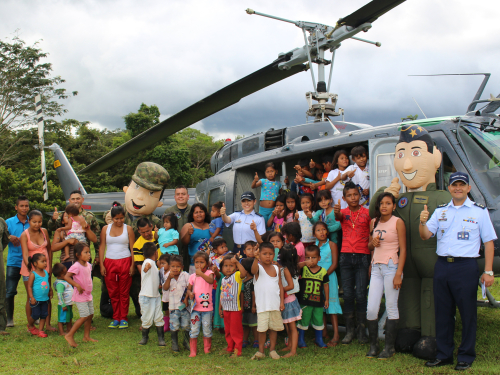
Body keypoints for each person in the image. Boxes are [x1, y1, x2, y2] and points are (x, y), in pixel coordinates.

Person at [369, 124, 451, 358]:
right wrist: (388, 192)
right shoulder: (398, 199)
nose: (407, 164)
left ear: (435, 158)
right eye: (402, 154)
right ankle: (409, 330)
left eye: (415, 153)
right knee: (407, 292)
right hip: (403, 263)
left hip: (432, 260)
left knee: (431, 293)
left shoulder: (442, 197)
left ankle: (431, 334)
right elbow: (375, 211)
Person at [419, 172, 497, 371]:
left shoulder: (479, 211)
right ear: (449, 188)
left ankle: (466, 355)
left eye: (462, 185)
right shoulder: (441, 211)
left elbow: (488, 242)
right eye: (455, 185)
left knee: (467, 313)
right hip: (443, 265)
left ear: (469, 188)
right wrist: (422, 222)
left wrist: (488, 271)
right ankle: (444, 354)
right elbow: (426, 235)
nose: (458, 188)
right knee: (443, 313)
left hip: (466, 267)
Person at [366, 192, 406, 359]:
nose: (384, 206)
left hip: (391, 267)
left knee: (391, 306)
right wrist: (371, 244)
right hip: (376, 268)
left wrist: (398, 273)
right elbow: (370, 247)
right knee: (371, 309)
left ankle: (389, 347)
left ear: (394, 206)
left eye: (388, 203)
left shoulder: (398, 222)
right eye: (382, 203)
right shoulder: (373, 222)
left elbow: (403, 249)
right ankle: (374, 346)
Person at [334, 181, 371, 345]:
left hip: (363, 256)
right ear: (344, 198)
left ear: (360, 195)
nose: (353, 197)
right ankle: (349, 331)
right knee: (348, 294)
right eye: (349, 195)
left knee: (361, 295)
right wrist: (336, 211)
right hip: (346, 257)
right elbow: (338, 217)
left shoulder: (367, 213)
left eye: (355, 194)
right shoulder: (342, 212)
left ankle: (362, 331)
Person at [99, 204, 135, 329]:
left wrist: (132, 265)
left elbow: (132, 248)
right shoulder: (105, 229)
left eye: (121, 218)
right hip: (110, 262)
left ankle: (123, 318)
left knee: (124, 291)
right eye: (116, 218)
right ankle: (116, 317)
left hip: (125, 261)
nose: (119, 221)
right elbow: (102, 246)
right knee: (113, 291)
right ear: (112, 218)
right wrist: (102, 265)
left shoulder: (128, 229)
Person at [20, 210, 54, 334]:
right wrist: (32, 270)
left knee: (46, 294)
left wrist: (48, 267)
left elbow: (49, 250)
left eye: (39, 221)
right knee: (32, 297)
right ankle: (31, 325)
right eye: (34, 222)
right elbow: (24, 254)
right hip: (31, 270)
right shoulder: (24, 235)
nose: (37, 224)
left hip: (45, 269)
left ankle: (48, 324)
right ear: (29, 221)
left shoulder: (44, 232)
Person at [251, 242, 285, 360]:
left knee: (274, 328)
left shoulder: (276, 268)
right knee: (262, 329)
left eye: (270, 254)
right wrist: (255, 259)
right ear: (259, 254)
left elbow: (280, 285)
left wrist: (281, 302)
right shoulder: (258, 268)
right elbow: (253, 270)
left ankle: (272, 350)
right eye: (264, 253)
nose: (268, 256)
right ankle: (261, 351)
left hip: (274, 305)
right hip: (263, 306)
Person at [313, 221, 342, 347]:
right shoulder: (314, 247)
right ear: (314, 234)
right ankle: (324, 333)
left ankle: (336, 335)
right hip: (316, 281)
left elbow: (335, 264)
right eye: (318, 230)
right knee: (320, 306)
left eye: (324, 229)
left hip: (329, 278)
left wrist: (323, 277)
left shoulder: (332, 245)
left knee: (331, 306)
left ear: (328, 231)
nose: (322, 232)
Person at [64, 242, 97, 347]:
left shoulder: (88, 265)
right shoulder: (76, 266)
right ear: (78, 255)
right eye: (85, 252)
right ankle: (69, 335)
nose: (89, 254)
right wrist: (76, 285)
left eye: (89, 252)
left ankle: (86, 336)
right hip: (80, 296)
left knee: (90, 314)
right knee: (84, 316)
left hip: (88, 295)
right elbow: (67, 277)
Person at [296, 245, 329, 348]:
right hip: (305, 301)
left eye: (313, 257)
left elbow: (326, 285)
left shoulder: (323, 271)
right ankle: (300, 340)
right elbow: (295, 267)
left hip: (318, 301)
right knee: (303, 320)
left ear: (319, 258)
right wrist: (304, 263)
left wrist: (327, 299)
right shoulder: (304, 269)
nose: (310, 260)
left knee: (318, 320)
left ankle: (319, 339)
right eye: (307, 257)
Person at [5, 195, 29, 328]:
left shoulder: (33, 222)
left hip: (29, 262)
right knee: (10, 291)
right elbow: (3, 236)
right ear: (16, 207)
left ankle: (33, 318)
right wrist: (9, 237)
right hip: (13, 261)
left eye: (26, 206)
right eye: (22, 206)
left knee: (32, 290)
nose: (24, 208)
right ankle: (9, 319)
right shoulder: (8, 222)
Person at [186, 251, 215, 357]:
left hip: (207, 309)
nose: (199, 265)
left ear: (207, 264)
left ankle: (207, 349)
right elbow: (188, 289)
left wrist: (201, 274)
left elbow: (211, 281)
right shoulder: (192, 276)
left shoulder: (209, 273)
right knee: (194, 329)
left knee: (207, 329)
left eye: (201, 262)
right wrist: (190, 294)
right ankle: (193, 351)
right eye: (196, 262)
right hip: (195, 308)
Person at [219, 254, 248, 357]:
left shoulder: (236, 276)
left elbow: (244, 273)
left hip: (235, 309)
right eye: (225, 266)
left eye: (231, 265)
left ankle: (237, 350)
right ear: (221, 268)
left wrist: (237, 262)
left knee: (236, 331)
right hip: (226, 309)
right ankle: (230, 347)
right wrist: (220, 308)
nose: (228, 268)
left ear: (235, 268)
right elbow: (222, 295)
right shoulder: (223, 280)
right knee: (228, 330)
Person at [221, 192, 266, 256]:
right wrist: (223, 214)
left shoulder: (259, 218)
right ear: (241, 203)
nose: (246, 203)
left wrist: (255, 229)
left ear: (254, 201)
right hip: (236, 248)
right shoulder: (236, 214)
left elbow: (261, 240)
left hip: (251, 251)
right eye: (243, 201)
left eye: (249, 200)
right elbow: (227, 220)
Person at [138, 243, 165, 346]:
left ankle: (160, 339)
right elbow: (146, 266)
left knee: (158, 316)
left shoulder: (154, 264)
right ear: (156, 253)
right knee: (146, 317)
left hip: (155, 296)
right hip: (146, 296)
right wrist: (147, 267)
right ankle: (145, 337)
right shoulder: (148, 262)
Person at [131, 218, 161, 315]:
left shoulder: (158, 235)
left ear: (151, 226)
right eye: (143, 232)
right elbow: (139, 265)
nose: (146, 234)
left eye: (148, 231)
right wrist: (148, 278)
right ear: (138, 231)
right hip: (152, 274)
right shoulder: (137, 245)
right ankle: (148, 317)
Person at [163, 254, 191, 352]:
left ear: (182, 267)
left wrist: (187, 298)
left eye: (178, 266)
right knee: (174, 325)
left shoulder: (186, 275)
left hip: (185, 306)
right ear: (169, 267)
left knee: (186, 325)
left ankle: (186, 341)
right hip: (173, 307)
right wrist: (169, 278)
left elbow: (189, 287)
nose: (175, 269)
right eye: (173, 266)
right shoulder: (167, 276)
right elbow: (165, 288)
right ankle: (174, 344)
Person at [279, 244, 302, 357]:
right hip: (290, 299)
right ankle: (290, 346)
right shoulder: (292, 267)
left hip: (289, 301)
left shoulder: (286, 270)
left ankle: (293, 351)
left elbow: (291, 285)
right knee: (288, 326)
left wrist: (279, 289)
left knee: (292, 328)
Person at [164, 185, 192, 271]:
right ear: (175, 197)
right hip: (174, 249)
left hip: (191, 248)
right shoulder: (169, 211)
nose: (180, 196)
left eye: (183, 194)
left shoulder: (193, 210)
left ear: (188, 196)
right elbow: (164, 231)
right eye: (178, 194)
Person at [180, 203, 211, 274]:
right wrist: (188, 233)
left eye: (201, 212)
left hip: (209, 263)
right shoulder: (188, 225)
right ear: (192, 215)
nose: (199, 214)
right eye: (196, 212)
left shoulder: (211, 225)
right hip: (195, 264)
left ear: (205, 214)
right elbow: (184, 242)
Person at [27, 253, 51, 338]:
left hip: (45, 299)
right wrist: (31, 297)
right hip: (36, 300)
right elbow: (29, 287)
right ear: (35, 264)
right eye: (42, 261)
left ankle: (40, 331)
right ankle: (30, 325)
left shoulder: (46, 272)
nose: (45, 263)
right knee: (35, 315)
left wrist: (50, 290)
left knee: (44, 315)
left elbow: (47, 283)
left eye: (46, 261)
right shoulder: (33, 274)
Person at [251, 162, 282, 228]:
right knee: (262, 226)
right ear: (265, 173)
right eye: (267, 172)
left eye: (272, 171)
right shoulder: (263, 181)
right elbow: (253, 186)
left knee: (271, 226)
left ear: (276, 172)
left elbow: (282, 195)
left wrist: (287, 184)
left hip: (273, 209)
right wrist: (255, 180)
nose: (270, 173)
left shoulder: (278, 183)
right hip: (263, 210)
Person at [210, 238, 229, 333]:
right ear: (215, 251)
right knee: (216, 304)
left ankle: (224, 324)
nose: (225, 249)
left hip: (228, 285)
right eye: (222, 247)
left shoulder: (228, 257)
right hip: (216, 286)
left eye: (225, 246)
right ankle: (216, 323)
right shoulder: (213, 260)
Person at [52, 263, 74, 336]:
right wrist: (63, 304)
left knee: (69, 317)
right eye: (65, 274)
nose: (67, 275)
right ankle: (61, 332)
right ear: (59, 275)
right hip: (64, 305)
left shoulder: (65, 281)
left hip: (69, 303)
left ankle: (69, 329)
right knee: (61, 318)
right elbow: (60, 295)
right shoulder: (60, 284)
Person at [241, 258, 258, 349]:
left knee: (254, 325)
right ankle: (245, 339)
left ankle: (256, 340)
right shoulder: (244, 281)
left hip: (251, 307)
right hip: (245, 307)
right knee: (246, 324)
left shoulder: (252, 281)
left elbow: (253, 294)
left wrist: (254, 306)